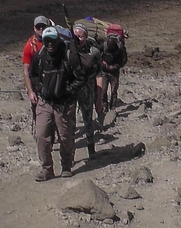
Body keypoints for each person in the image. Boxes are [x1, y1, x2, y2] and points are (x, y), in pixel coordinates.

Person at [29, 26, 86, 181]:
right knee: (41, 135)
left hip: (64, 104)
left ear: (58, 40)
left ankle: (67, 165)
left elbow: (80, 78)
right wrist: (40, 88)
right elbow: (33, 74)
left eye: (52, 41)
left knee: (65, 137)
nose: (50, 45)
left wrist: (67, 91)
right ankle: (46, 168)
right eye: (47, 41)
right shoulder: (39, 57)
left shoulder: (69, 57)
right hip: (45, 102)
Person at [72, 24, 100, 157]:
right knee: (70, 121)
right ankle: (69, 152)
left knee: (88, 119)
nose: (78, 39)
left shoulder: (93, 51)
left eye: (81, 36)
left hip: (87, 89)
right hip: (71, 90)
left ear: (86, 36)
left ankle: (91, 147)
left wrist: (99, 97)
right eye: (76, 36)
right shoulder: (68, 50)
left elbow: (99, 72)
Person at [23, 16, 52, 130]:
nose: (40, 29)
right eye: (38, 27)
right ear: (34, 28)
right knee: (37, 112)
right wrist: (30, 90)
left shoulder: (54, 42)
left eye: (43, 27)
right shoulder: (29, 46)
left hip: (52, 82)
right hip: (37, 84)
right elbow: (26, 70)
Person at [98, 31, 128, 120]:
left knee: (114, 90)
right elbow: (97, 56)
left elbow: (124, 59)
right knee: (103, 90)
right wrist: (103, 64)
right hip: (104, 71)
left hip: (114, 71)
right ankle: (104, 107)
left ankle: (113, 107)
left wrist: (116, 66)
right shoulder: (103, 45)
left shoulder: (120, 48)